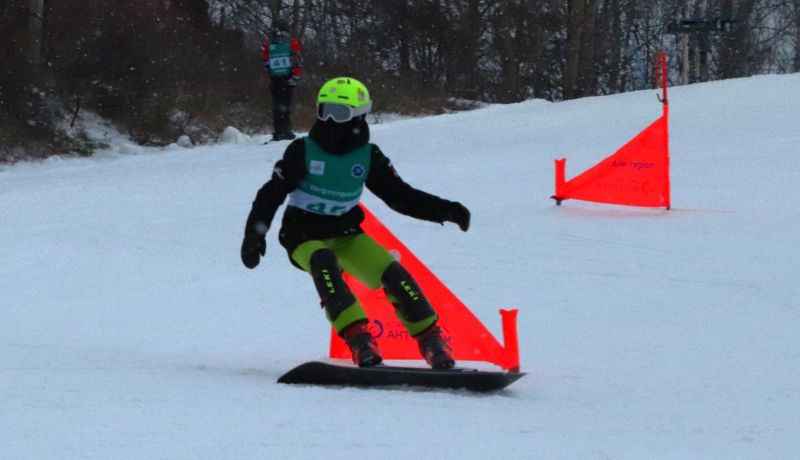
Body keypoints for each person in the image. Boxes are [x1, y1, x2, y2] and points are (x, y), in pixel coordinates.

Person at [240, 77, 471, 369]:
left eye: (339, 113)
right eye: (324, 111)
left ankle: (432, 341)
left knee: (394, 274)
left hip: (346, 234)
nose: (329, 120)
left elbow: (400, 197)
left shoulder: (368, 156)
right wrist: (254, 235)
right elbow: (271, 193)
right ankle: (360, 340)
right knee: (323, 260)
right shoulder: (303, 150)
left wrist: (446, 210)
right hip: (302, 236)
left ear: (359, 115)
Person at [261, 18, 302, 141]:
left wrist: (269, 74)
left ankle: (279, 132)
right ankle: (285, 131)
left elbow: (265, 61)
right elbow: (297, 61)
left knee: (277, 106)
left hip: (276, 78)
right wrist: (295, 76)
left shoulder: (268, 43)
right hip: (286, 77)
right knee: (285, 105)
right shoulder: (291, 42)